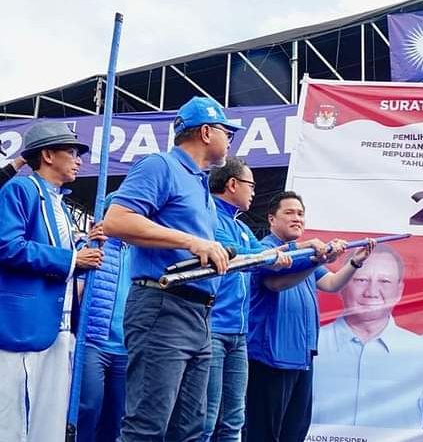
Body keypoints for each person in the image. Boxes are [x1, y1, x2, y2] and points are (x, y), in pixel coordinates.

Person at [104, 96, 241, 441]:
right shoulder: (160, 166)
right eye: (228, 133)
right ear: (206, 132)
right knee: (146, 428)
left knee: (190, 430)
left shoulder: (200, 185)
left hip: (199, 314)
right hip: (163, 308)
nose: (230, 141)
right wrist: (193, 242)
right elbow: (116, 221)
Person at [0, 121, 104, 442]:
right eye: (71, 152)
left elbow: (63, 259)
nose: (79, 161)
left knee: (50, 423)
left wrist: (86, 249)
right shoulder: (20, 189)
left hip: (60, 327)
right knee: (12, 421)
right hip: (22, 326)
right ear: (47, 155)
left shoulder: (60, 203)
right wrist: (73, 259)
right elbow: (7, 246)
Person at [245, 191, 374, 442]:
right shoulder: (266, 251)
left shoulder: (306, 255)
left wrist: (355, 262)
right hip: (270, 357)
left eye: (301, 213)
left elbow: (332, 283)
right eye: (289, 212)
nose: (297, 218)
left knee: (294, 433)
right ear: (271, 219)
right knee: (264, 433)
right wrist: (316, 260)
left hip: (301, 357)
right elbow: (276, 284)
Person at [201, 157, 291, 442]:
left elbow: (261, 256)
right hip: (213, 330)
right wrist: (271, 256)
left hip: (238, 335)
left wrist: (310, 253)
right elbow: (242, 255)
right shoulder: (209, 217)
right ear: (232, 184)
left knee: (234, 420)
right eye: (251, 185)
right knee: (206, 419)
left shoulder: (240, 225)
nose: (254, 192)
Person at [312, 245, 423, 429]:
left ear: (399, 290)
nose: (371, 292)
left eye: (384, 281)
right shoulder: (309, 348)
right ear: (342, 284)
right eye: (361, 279)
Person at [77, 193, 132, 442]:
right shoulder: (93, 247)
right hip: (93, 342)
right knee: (88, 407)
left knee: (118, 415)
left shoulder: (140, 251)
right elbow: (76, 291)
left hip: (127, 347)